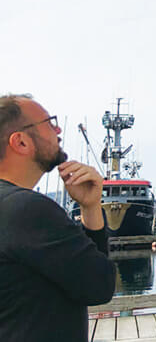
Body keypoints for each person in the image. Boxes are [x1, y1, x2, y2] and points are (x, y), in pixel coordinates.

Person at [0, 94, 116, 341]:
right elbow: (99, 286)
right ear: (20, 142)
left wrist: (90, 207)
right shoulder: (27, 210)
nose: (59, 129)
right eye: (49, 122)